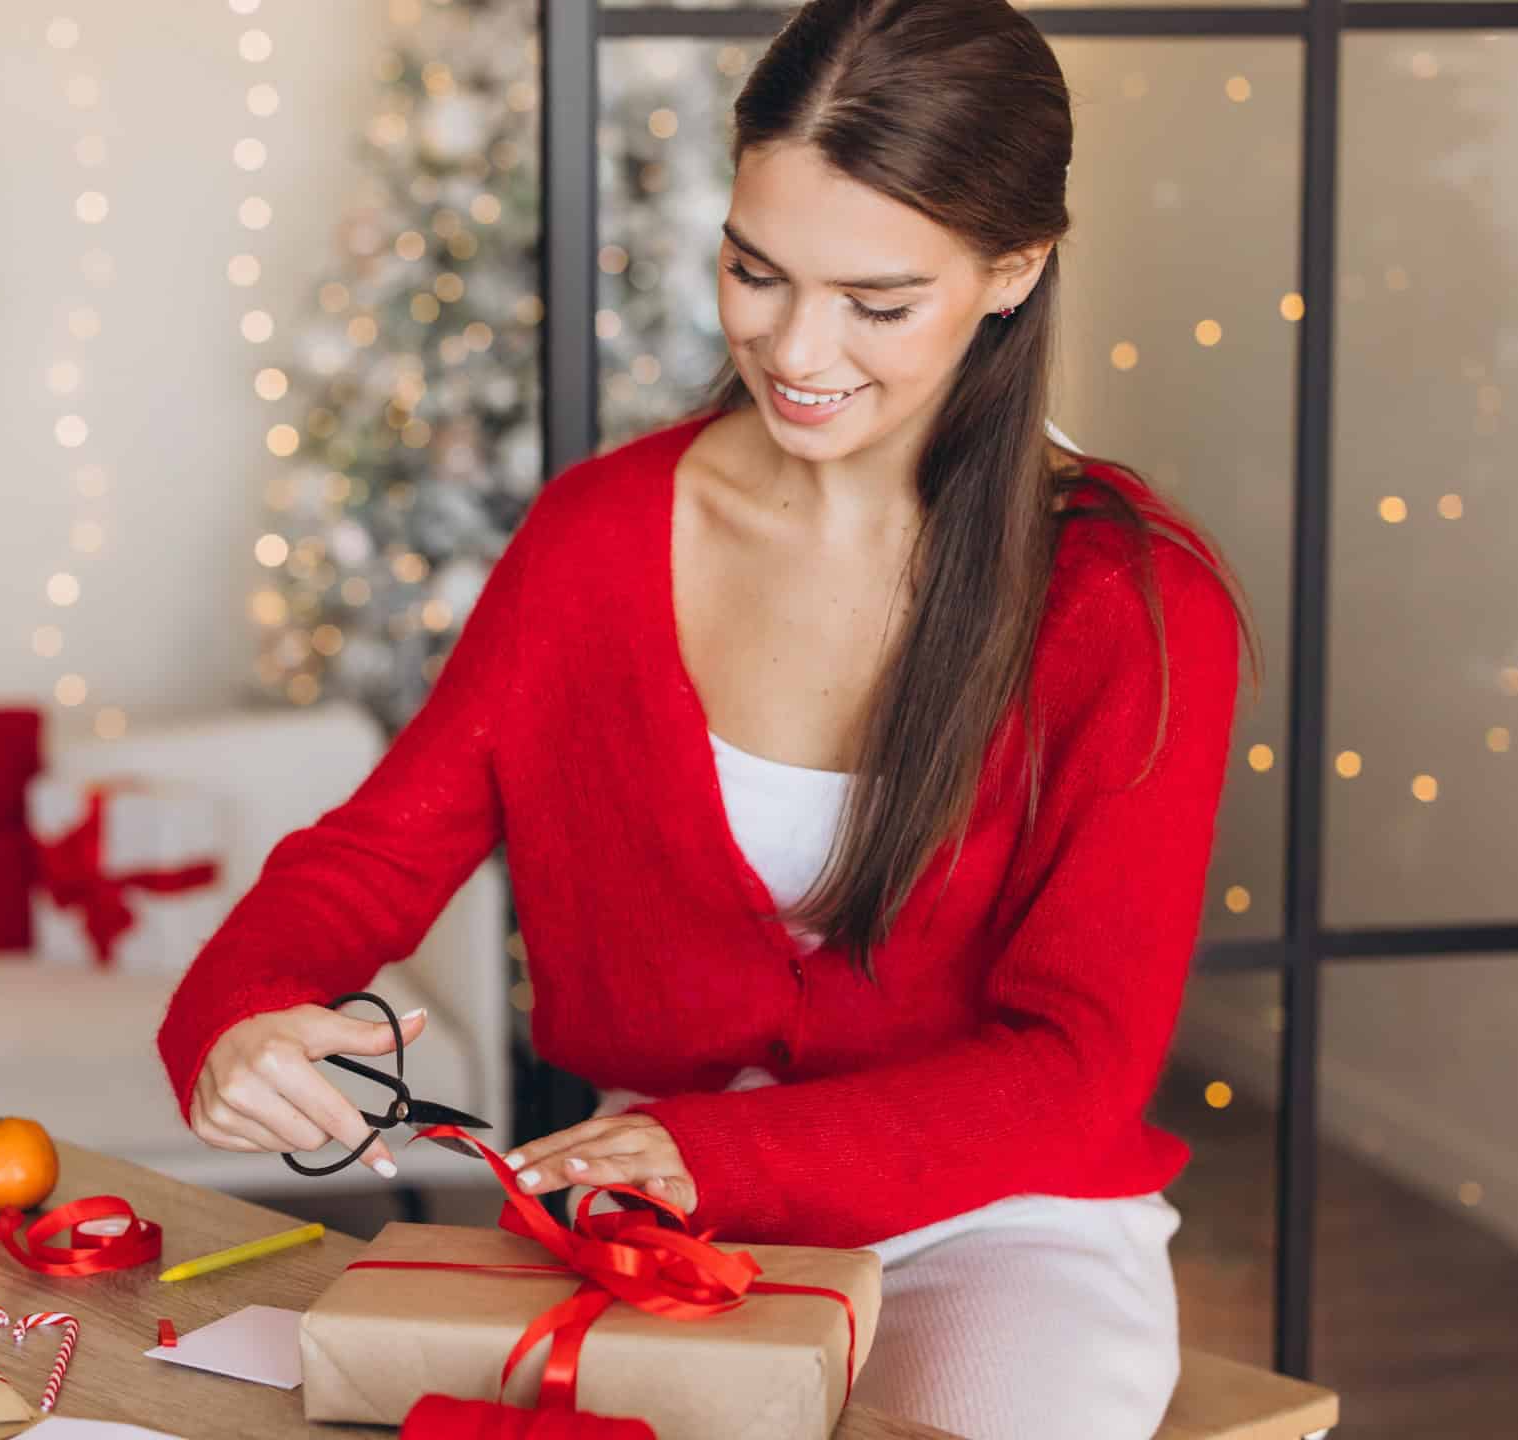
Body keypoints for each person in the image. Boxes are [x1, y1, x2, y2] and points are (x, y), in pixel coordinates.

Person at [156, 0, 1261, 1435]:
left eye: (877, 302)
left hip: (996, 1229)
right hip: (653, 1220)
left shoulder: (1129, 602)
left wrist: (707, 1152)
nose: (797, 349)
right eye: (755, 271)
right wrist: (237, 1016)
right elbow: (378, 854)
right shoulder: (598, 537)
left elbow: (1078, 1067)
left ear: (1013, 271)